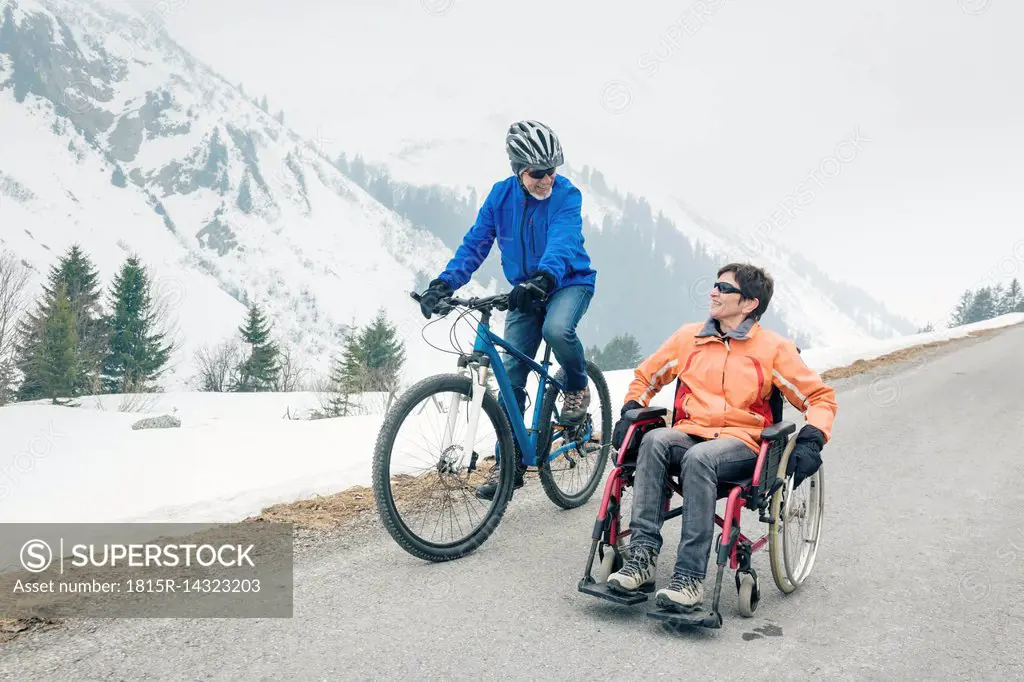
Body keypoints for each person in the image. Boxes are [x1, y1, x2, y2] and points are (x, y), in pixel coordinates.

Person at [605, 262, 837, 613]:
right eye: (715, 286)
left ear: (749, 303)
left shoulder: (773, 349)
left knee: (701, 458)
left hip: (742, 443)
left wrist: (813, 436)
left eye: (724, 288)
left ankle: (688, 578)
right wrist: (632, 408)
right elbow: (645, 376)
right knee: (655, 441)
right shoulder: (689, 338)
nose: (713, 292)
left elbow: (819, 398)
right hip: (691, 433)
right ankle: (641, 558)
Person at [416, 120, 598, 500]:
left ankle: (578, 386)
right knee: (511, 374)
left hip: (567, 282)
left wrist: (545, 278)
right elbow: (475, 246)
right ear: (518, 170)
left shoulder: (568, 196)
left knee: (556, 330)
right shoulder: (500, 198)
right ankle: (509, 464)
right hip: (524, 292)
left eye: (552, 171)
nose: (547, 179)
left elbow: (564, 241)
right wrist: (444, 284)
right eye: (537, 173)